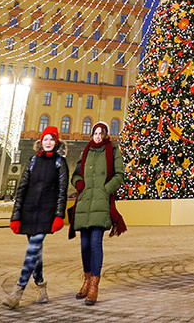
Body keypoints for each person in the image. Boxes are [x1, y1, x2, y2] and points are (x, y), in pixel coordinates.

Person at [4, 126, 68, 309]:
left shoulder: (60, 163)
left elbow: (62, 192)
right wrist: (15, 216)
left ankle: (18, 291)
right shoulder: (32, 161)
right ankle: (41, 287)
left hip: (47, 213)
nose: (48, 143)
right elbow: (22, 189)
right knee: (36, 254)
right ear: (41, 142)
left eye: (52, 140)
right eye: (45, 139)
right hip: (29, 211)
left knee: (32, 250)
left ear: (56, 143)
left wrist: (58, 216)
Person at [70, 121, 126, 306]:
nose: (98, 136)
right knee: (85, 245)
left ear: (106, 135)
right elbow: (76, 174)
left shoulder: (113, 151)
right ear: (92, 134)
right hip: (85, 203)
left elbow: (120, 175)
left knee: (95, 243)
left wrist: (105, 189)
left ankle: (94, 286)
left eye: (102, 133)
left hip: (101, 203)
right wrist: (79, 184)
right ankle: (86, 281)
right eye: (96, 132)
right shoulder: (85, 151)